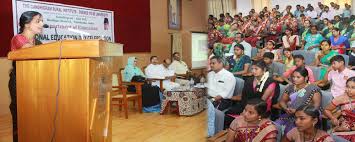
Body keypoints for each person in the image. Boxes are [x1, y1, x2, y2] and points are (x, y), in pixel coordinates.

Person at [9, 11, 44, 142]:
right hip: (19, 82)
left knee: (34, 116)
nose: (42, 24)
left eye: (42, 21)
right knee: (20, 116)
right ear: (27, 24)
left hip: (36, 82)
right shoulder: (18, 38)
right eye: (38, 21)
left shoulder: (38, 42)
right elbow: (29, 50)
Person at [276, 67, 321, 134]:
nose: (294, 79)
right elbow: (282, 101)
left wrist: (297, 111)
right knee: (276, 126)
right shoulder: (291, 87)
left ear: (305, 78)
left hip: (307, 116)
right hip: (291, 115)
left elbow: (316, 106)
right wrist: (286, 109)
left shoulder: (313, 89)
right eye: (293, 77)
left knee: (290, 131)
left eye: (298, 77)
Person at [324, 77, 355, 141]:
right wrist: (333, 118)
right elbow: (326, 110)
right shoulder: (341, 99)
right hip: (345, 130)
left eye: (353, 88)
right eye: (347, 87)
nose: (349, 90)